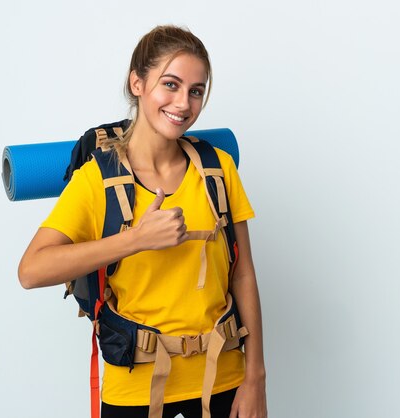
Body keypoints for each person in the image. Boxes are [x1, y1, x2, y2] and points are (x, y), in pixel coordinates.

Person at [18, 25, 267, 418]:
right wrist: (135, 239)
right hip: (135, 387)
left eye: (196, 90)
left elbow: (244, 276)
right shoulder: (96, 179)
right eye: (170, 84)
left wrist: (256, 379)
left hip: (224, 379)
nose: (183, 103)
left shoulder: (218, 169)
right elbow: (30, 271)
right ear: (137, 83)